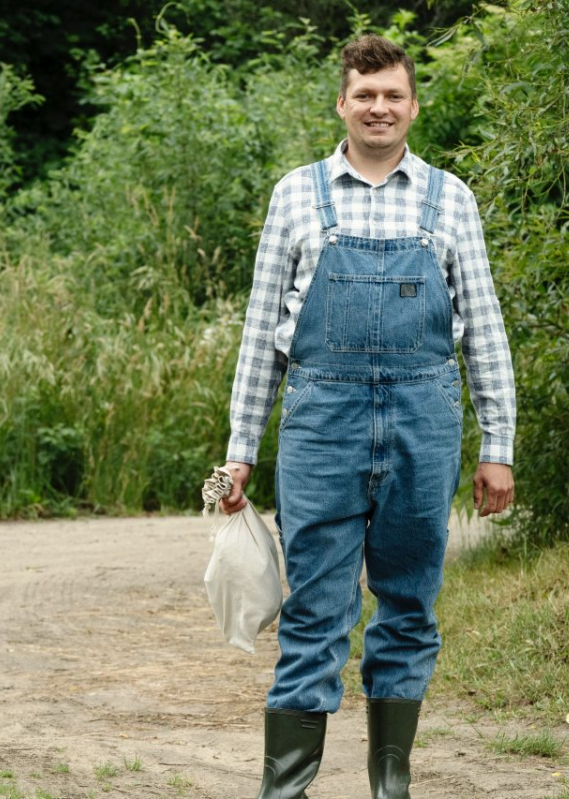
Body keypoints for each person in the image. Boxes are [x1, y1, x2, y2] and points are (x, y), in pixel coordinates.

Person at [219, 33, 516, 799]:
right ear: (343, 104)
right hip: (322, 422)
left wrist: (499, 444)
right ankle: (286, 789)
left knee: (410, 601)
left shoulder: (452, 199)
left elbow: (483, 326)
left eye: (392, 95)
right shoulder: (295, 194)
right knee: (315, 607)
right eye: (365, 94)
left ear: (413, 105)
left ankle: (391, 783)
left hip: (425, 416)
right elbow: (260, 332)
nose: (378, 107)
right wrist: (241, 446)